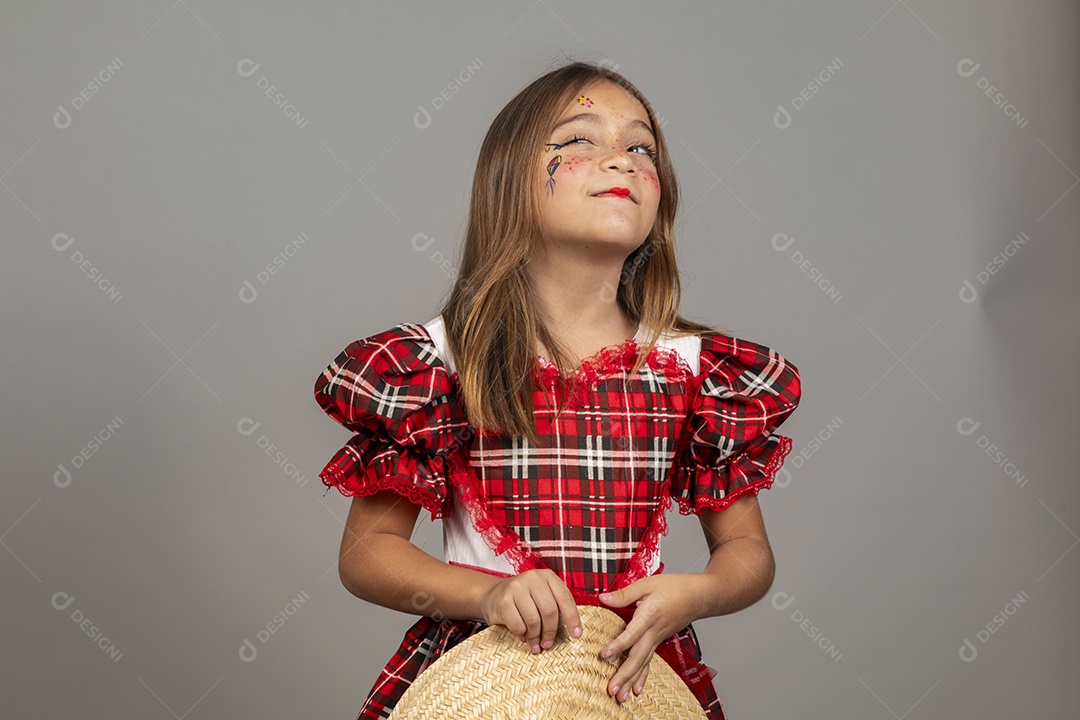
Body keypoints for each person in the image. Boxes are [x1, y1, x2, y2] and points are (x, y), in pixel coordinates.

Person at [313, 59, 802, 720]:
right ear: (510, 181)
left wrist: (697, 594)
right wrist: (489, 596)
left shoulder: (694, 371)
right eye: (579, 141)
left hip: (629, 673)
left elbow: (747, 553)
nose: (622, 161)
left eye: (641, 148)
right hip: (489, 673)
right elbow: (367, 554)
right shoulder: (438, 364)